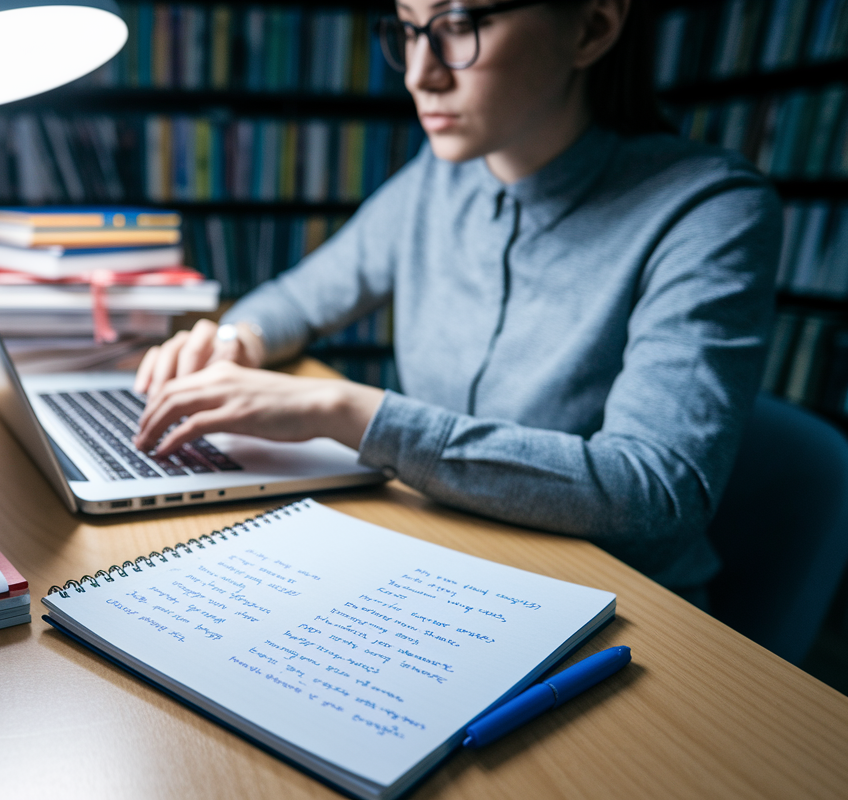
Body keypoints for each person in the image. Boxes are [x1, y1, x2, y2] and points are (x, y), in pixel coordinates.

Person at [130, 0, 780, 605]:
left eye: (461, 25)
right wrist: (231, 342)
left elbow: (657, 495)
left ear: (592, 28)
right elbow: (302, 296)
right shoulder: (441, 177)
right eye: (409, 28)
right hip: (447, 560)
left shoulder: (711, 211)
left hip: (618, 606)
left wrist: (346, 411)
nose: (421, 74)